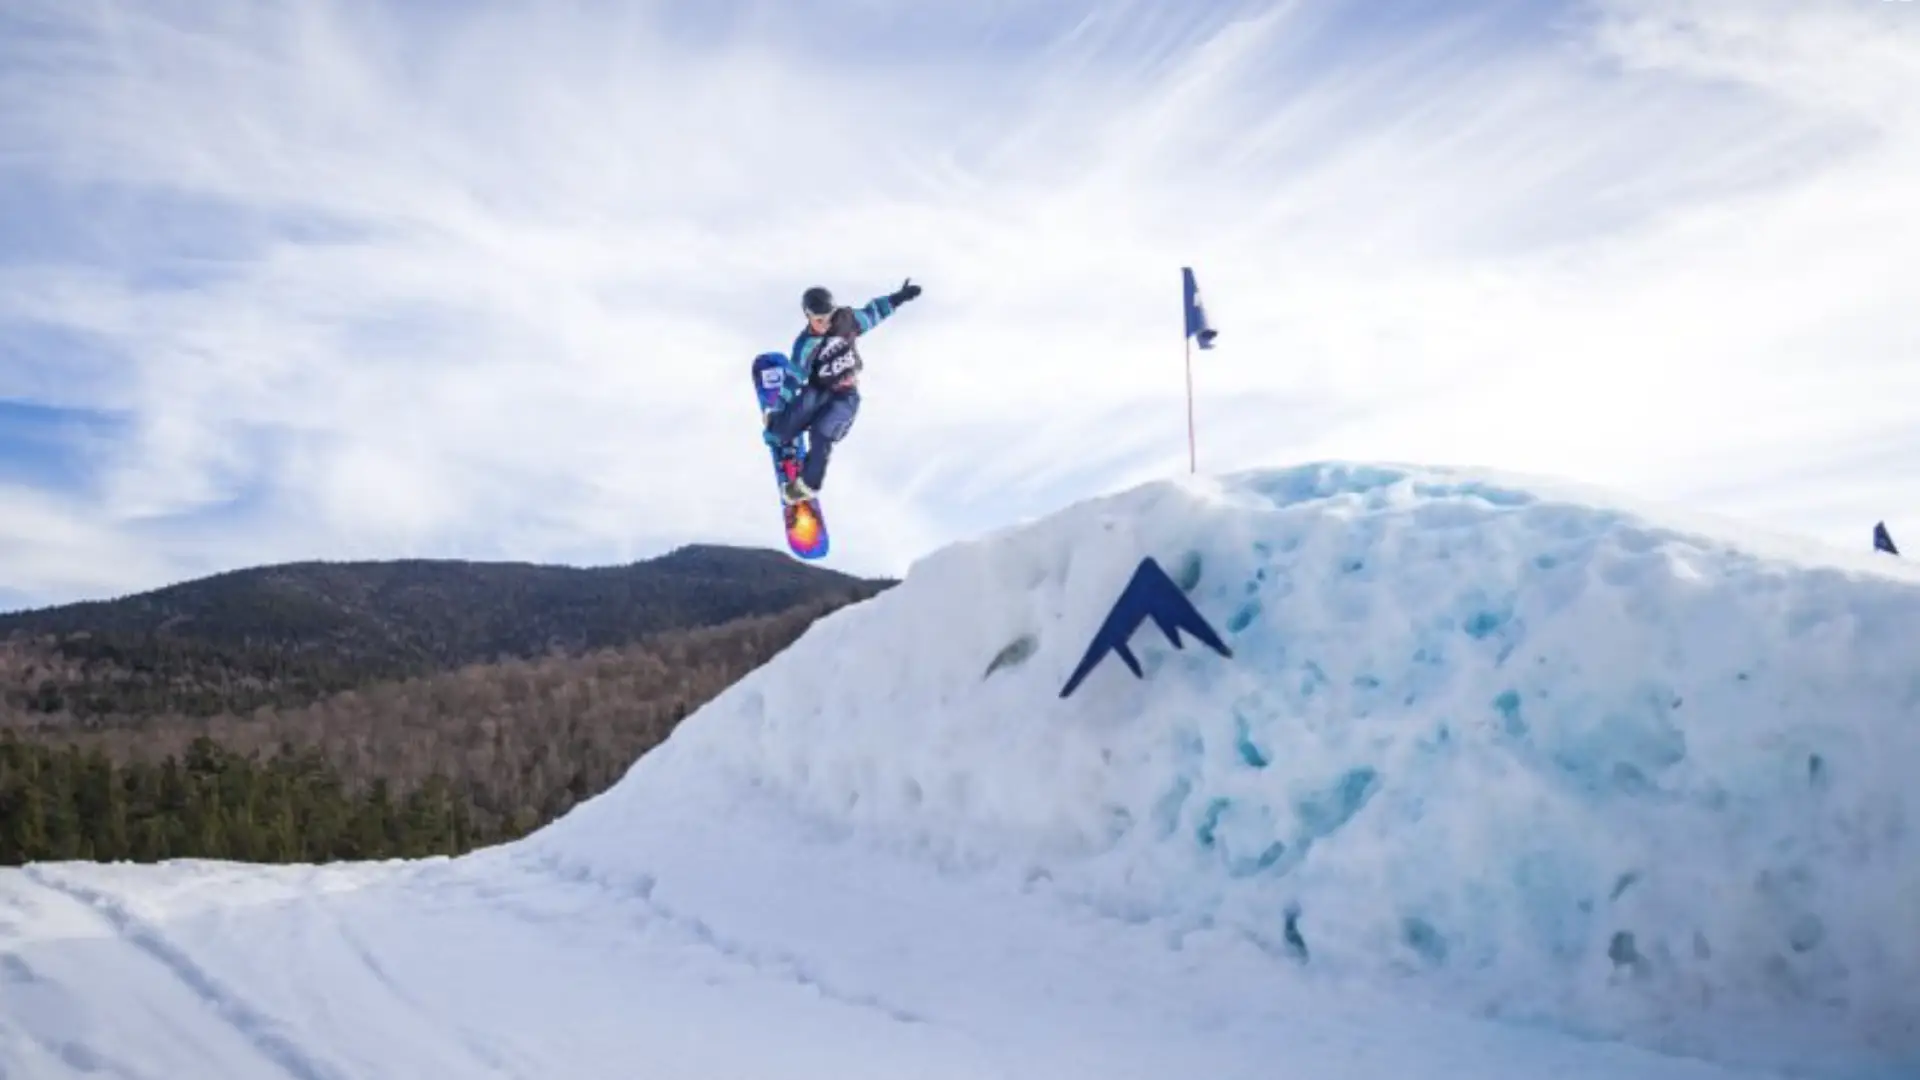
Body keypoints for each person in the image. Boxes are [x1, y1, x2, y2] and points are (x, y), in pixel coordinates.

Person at [763, 277, 922, 504]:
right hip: (818, 390)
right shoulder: (805, 344)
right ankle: (781, 429)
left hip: (846, 395)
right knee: (779, 432)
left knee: (822, 433)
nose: (826, 323)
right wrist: (778, 409)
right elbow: (794, 379)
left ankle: (807, 486)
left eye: (829, 317)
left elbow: (874, 312)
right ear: (808, 316)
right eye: (819, 319)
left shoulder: (846, 320)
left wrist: (900, 297)